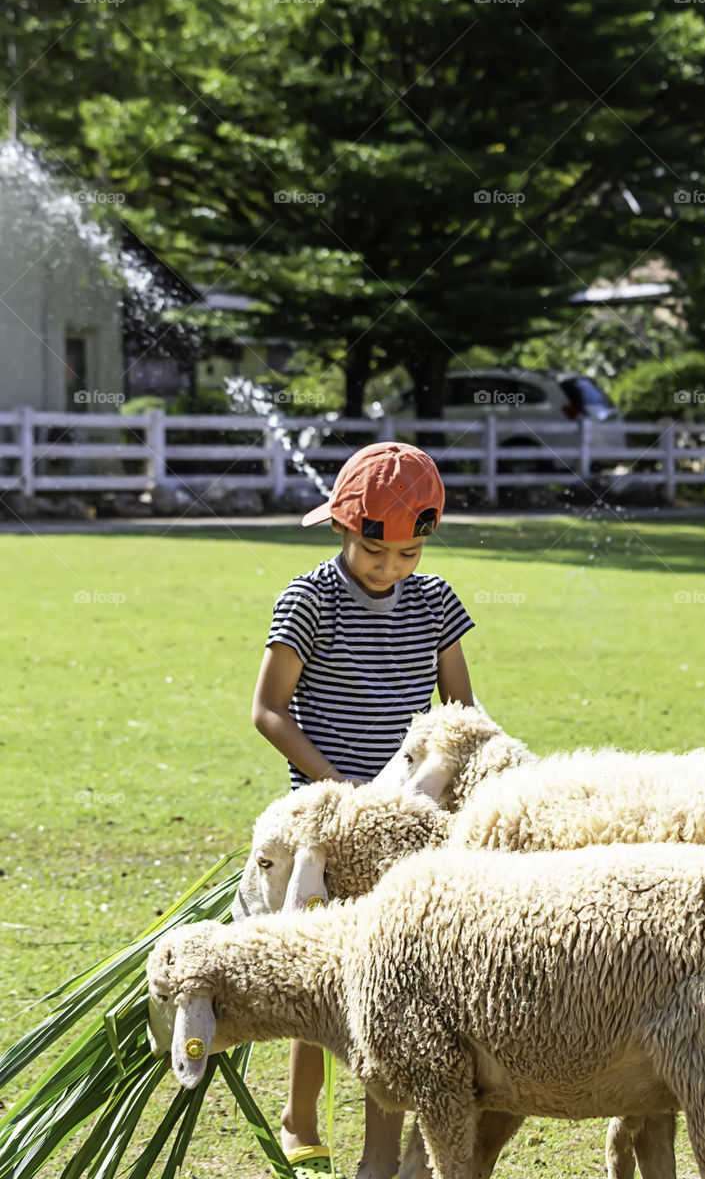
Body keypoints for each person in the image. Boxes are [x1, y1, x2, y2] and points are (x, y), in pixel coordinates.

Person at [252, 441, 475, 1179]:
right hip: (321, 820)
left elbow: (460, 714)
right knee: (318, 974)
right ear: (344, 530)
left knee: (391, 981)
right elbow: (268, 711)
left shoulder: (436, 601)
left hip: (402, 827)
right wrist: (336, 791)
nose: (391, 568)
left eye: (408, 553)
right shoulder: (309, 598)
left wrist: (431, 788)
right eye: (376, 551)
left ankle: (381, 1150)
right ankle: (300, 1115)